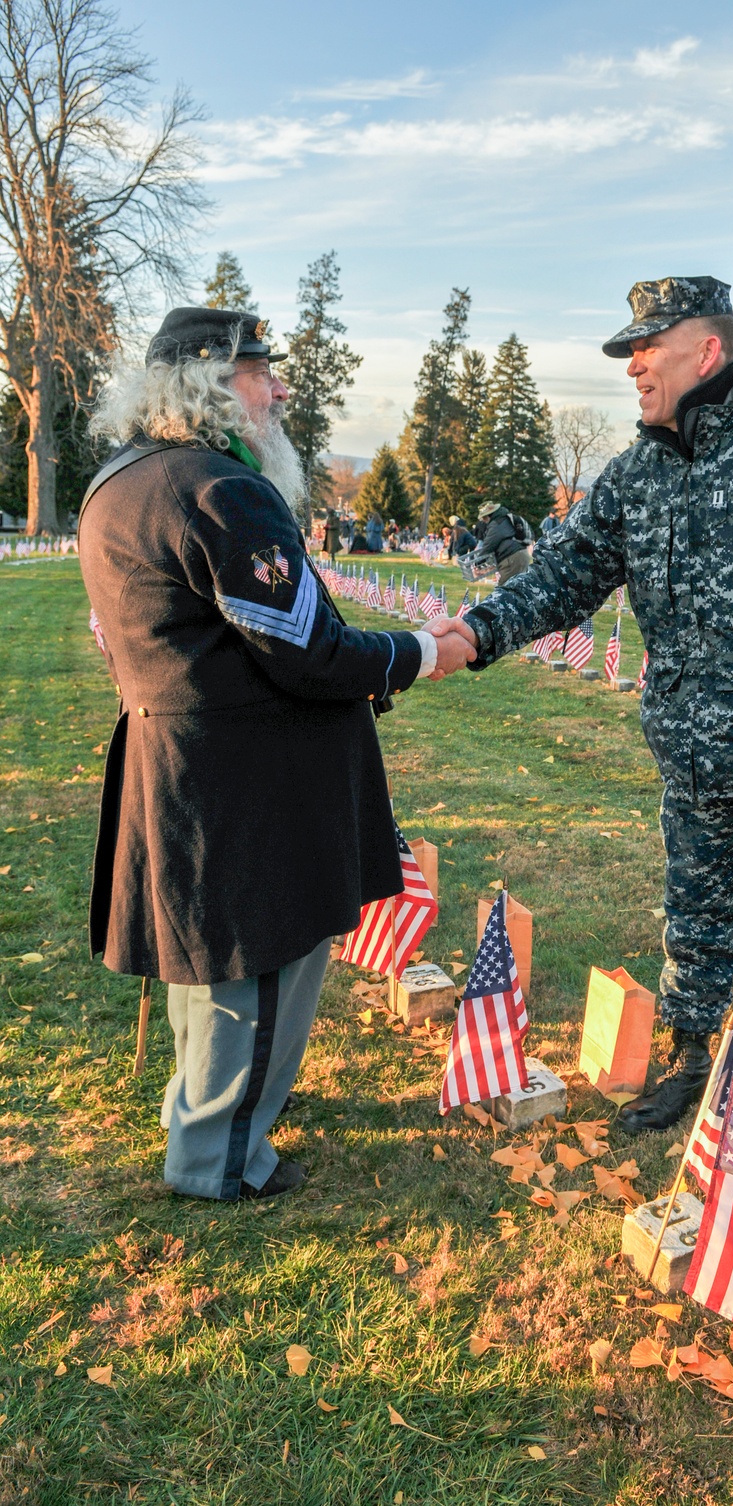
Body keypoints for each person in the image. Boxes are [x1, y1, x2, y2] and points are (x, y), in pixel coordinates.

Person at [432, 276, 733, 1139]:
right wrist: (471, 634)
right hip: (699, 759)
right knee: (695, 924)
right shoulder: (634, 478)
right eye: (628, 351)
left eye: (647, 348)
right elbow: (560, 578)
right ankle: (687, 1057)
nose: (632, 366)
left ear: (706, 351)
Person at [79, 306, 474, 1202]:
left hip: (179, 757)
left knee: (208, 962)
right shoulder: (222, 490)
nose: (281, 387)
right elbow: (310, 652)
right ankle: (219, 1161)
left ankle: (205, 1120)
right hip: (247, 782)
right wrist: (423, 651)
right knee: (261, 964)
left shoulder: (121, 478)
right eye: (260, 371)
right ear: (209, 383)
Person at [473, 501, 532, 585]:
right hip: (519, 555)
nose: (483, 520)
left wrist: (477, 562)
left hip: (512, 558)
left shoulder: (497, 524)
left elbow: (489, 545)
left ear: (489, 515)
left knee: (505, 589)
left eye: (484, 517)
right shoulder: (504, 519)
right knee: (518, 587)